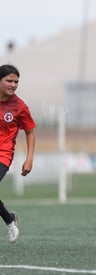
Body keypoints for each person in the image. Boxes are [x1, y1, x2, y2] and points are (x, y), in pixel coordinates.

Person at [0, 64, 36, 243]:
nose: (13, 85)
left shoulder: (19, 106)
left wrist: (29, 159)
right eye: (9, 81)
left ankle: (9, 219)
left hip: (3, 155)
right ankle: (9, 219)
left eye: (16, 82)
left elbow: (30, 131)